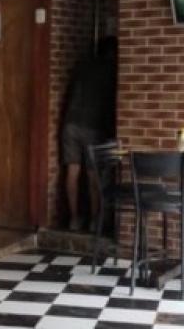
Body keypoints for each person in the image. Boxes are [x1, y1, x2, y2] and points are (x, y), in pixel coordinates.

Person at [59, 37, 117, 232]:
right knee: (93, 175)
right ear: (113, 53)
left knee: (72, 171)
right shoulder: (111, 70)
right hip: (93, 126)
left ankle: (74, 219)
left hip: (70, 124)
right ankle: (95, 221)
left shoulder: (82, 66)